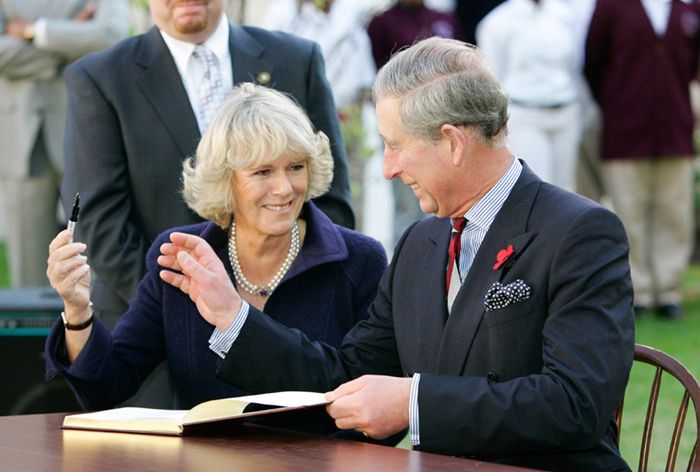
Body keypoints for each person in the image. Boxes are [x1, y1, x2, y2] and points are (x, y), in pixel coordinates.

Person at [159, 38, 635, 471]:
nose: (388, 168)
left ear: (451, 141)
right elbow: (344, 375)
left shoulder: (581, 232)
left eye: (394, 146)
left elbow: (576, 405)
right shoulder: (418, 244)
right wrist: (231, 316)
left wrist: (413, 403)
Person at [45, 83, 387, 425]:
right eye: (263, 171)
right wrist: (77, 310)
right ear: (226, 180)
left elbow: (364, 396)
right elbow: (106, 386)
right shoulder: (181, 258)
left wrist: (235, 318)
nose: (284, 187)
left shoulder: (359, 261)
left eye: (296, 167)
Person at [60, 0, 354, 328]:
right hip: (154, 328)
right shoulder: (100, 79)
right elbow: (99, 223)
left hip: (289, 323)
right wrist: (188, 307)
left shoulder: (297, 61)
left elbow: (330, 200)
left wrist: (269, 311)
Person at [585, 0, 700, 320]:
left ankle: (669, 290)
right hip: (625, 130)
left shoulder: (687, 9)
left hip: (675, 128)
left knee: (674, 213)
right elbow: (593, 62)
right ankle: (638, 291)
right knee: (628, 213)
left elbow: (691, 65)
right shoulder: (611, 7)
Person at [0, 0, 129, 287]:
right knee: (28, 276)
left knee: (99, 262)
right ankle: (34, 334)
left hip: (89, 132)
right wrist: (72, 47)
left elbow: (111, 34)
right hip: (20, 139)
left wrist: (36, 32)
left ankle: (97, 331)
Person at [476, 0, 581, 191]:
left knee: (566, 188)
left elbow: (574, 67)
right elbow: (493, 79)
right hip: (526, 115)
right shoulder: (497, 22)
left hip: (566, 112)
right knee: (539, 187)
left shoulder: (564, 15)